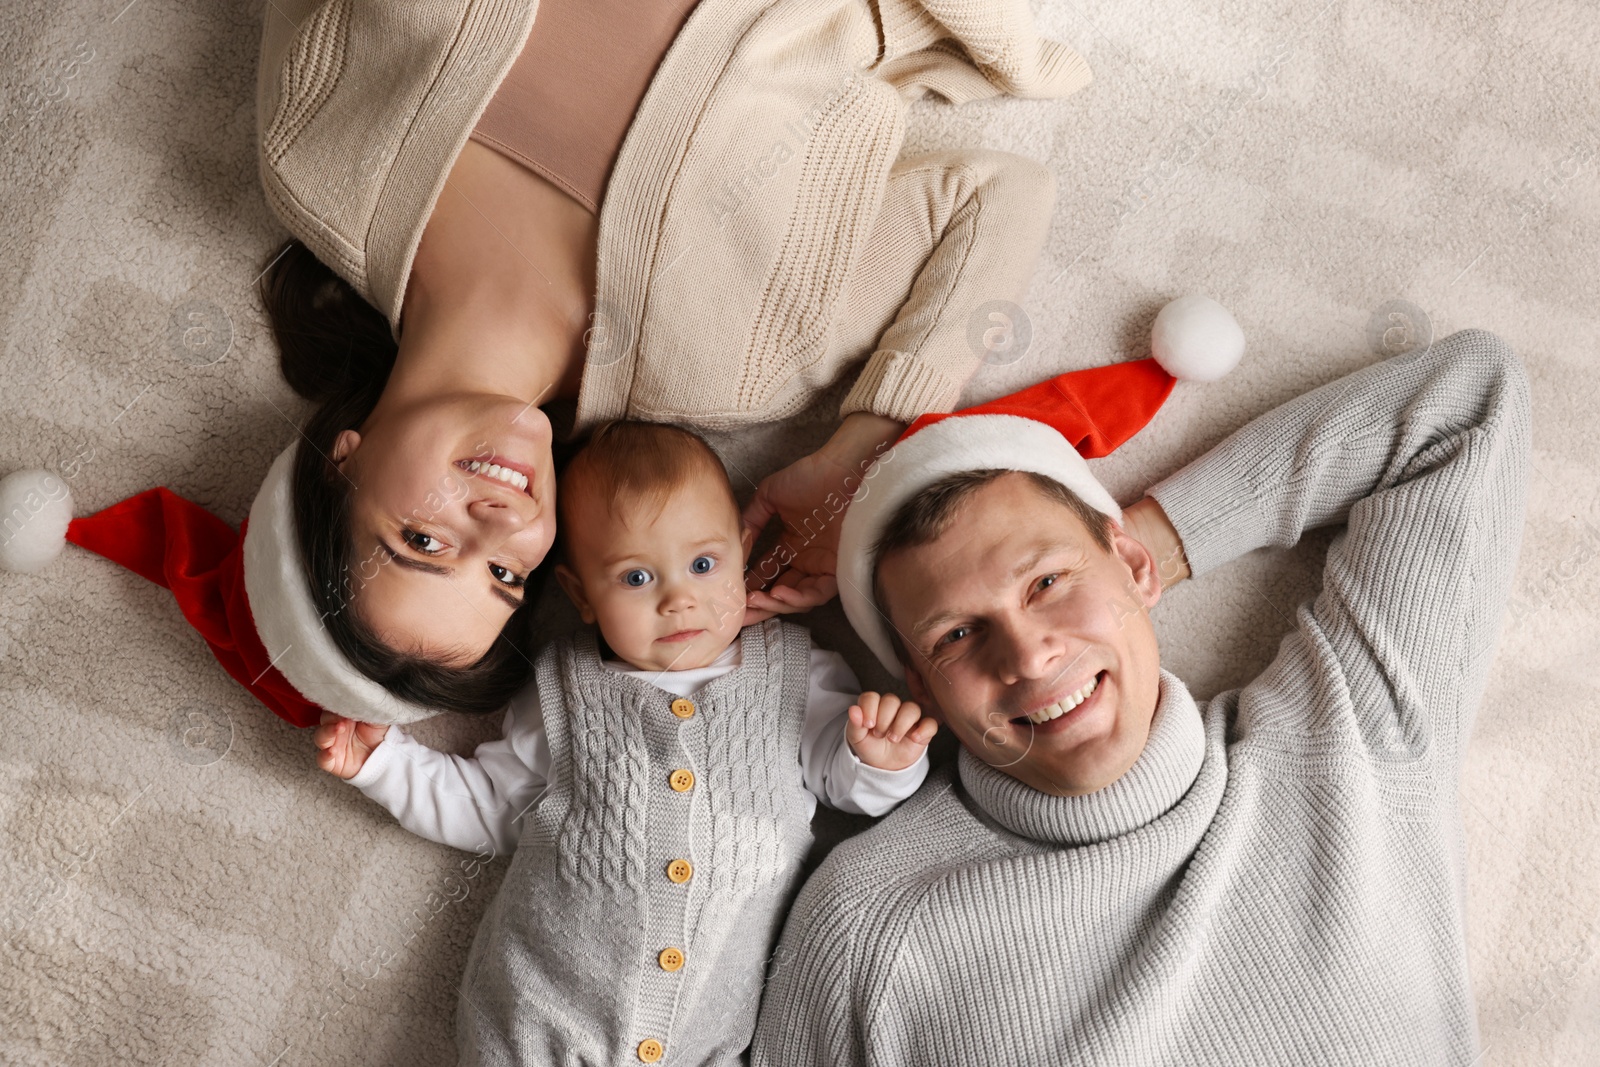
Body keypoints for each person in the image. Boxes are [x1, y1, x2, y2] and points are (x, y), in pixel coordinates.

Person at [242, 0, 1094, 728]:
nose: (498, 522)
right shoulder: (733, 360)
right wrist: (858, 454)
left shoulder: (316, 160)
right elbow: (1001, 196)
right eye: (505, 572)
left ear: (339, 458)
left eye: (424, 539)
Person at [749, 328, 1531, 1065]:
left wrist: (1154, 546)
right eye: (956, 634)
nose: (1028, 655)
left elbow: (1463, 404)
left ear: (1133, 564)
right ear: (920, 684)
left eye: (1048, 582)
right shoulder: (867, 925)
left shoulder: (1346, 741)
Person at [313, 422, 936, 1065]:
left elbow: (850, 793)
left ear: (743, 552)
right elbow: (493, 809)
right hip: (540, 1023)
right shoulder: (563, 690)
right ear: (581, 595)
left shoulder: (799, 673)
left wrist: (880, 759)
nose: (678, 599)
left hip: (706, 1043)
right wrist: (386, 765)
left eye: (703, 564)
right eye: (636, 578)